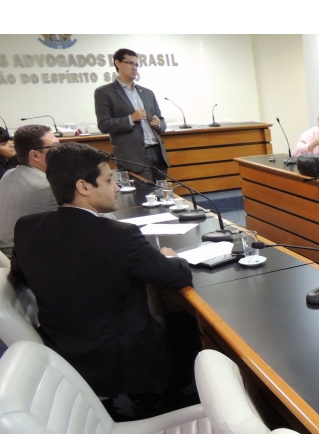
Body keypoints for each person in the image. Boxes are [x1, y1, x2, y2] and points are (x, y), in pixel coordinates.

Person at [10, 143, 193, 402]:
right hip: (121, 360)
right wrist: (172, 258)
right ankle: (166, 399)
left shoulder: (27, 228)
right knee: (187, 322)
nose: (116, 188)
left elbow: (20, 275)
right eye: (109, 180)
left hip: (63, 352)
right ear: (83, 187)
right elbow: (177, 278)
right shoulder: (120, 236)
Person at [94, 48, 169, 182]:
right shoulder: (104, 92)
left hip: (157, 152)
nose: (134, 68)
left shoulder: (147, 93)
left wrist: (159, 124)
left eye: (136, 65)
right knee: (146, 196)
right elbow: (104, 125)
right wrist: (130, 118)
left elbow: (162, 122)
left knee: (163, 193)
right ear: (117, 63)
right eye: (129, 63)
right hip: (133, 155)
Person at [0, 125, 59, 257]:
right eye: (54, 147)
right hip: (24, 262)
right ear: (35, 155)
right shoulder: (49, 186)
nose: (61, 151)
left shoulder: (8, 175)